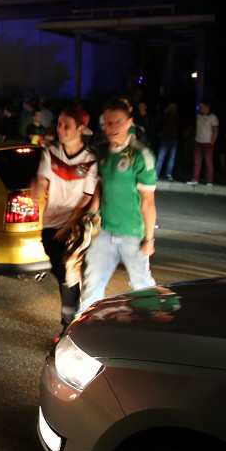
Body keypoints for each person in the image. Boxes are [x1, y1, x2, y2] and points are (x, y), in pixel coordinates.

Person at [81, 99, 157, 311]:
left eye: (117, 122)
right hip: (104, 232)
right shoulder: (102, 151)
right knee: (92, 285)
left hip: (132, 234)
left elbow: (148, 202)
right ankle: (84, 337)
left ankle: (153, 328)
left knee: (142, 286)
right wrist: (90, 215)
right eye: (108, 123)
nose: (112, 128)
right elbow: (100, 187)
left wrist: (149, 239)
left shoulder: (142, 155)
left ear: (129, 122)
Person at [32, 104, 98, 332]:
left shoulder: (90, 159)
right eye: (59, 124)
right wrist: (36, 205)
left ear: (81, 128)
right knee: (61, 271)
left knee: (68, 270)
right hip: (50, 223)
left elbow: (85, 199)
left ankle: (69, 328)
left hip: (74, 225)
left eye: (67, 126)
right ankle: (76, 317)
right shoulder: (51, 153)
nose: (61, 129)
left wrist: (68, 225)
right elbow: (42, 184)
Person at [187, 100, 218, 186]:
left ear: (207, 107)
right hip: (198, 141)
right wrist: (195, 138)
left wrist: (212, 142)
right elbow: (197, 128)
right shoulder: (198, 116)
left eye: (201, 106)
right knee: (197, 161)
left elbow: (215, 131)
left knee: (208, 161)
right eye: (199, 106)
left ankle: (209, 180)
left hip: (207, 143)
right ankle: (195, 178)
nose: (199, 108)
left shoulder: (213, 117)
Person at [154, 101, 179, 180]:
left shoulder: (178, 116)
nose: (172, 107)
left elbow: (180, 128)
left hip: (174, 139)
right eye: (171, 106)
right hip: (165, 138)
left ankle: (168, 174)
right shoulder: (165, 115)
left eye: (173, 106)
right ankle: (156, 174)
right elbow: (158, 120)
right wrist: (165, 111)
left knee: (171, 158)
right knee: (160, 157)